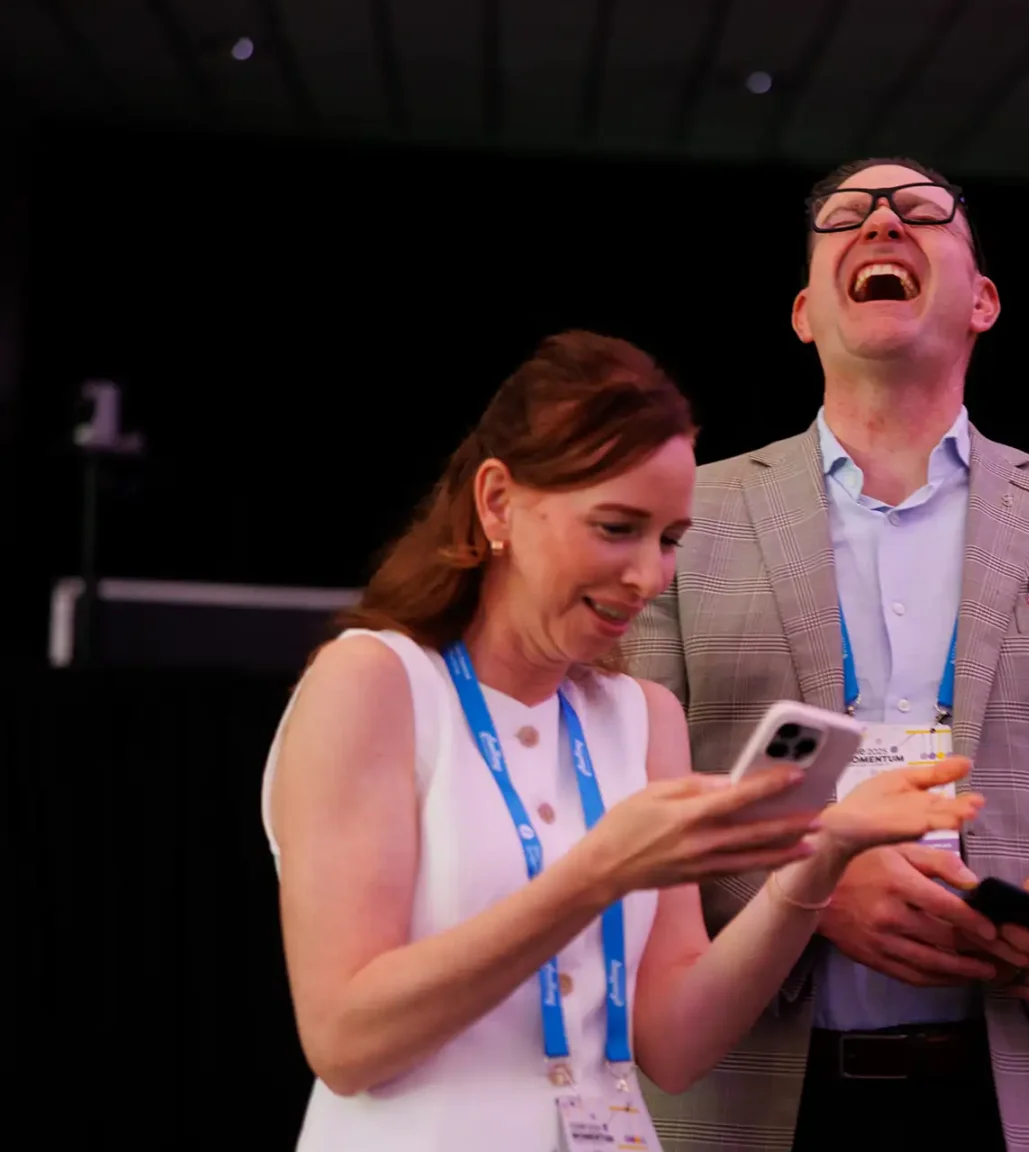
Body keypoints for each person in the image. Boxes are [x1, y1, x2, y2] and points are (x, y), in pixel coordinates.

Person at [620, 158, 1029, 1152]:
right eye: (846, 217)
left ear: (983, 301)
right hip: (752, 1091)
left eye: (920, 212)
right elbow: (628, 807)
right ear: (804, 312)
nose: (881, 224)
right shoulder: (684, 521)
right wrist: (807, 886)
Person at [259, 331, 983, 1151]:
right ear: (496, 501)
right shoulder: (374, 681)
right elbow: (346, 1042)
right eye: (616, 528)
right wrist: (603, 869)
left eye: (670, 539)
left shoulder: (641, 716)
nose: (649, 576)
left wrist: (813, 867)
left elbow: (674, 1046)